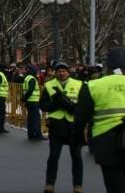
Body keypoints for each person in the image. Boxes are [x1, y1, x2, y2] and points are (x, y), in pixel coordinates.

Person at [74, 47, 125, 193]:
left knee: (114, 184)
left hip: (106, 140)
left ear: (107, 66)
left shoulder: (93, 85)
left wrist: (77, 139)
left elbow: (81, 116)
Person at [40, 61, 83, 193]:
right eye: (59, 71)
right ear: (55, 73)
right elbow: (43, 105)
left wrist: (71, 107)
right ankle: (50, 184)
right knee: (53, 156)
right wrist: (57, 104)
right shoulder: (49, 85)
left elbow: (83, 105)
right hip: (56, 125)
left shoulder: (79, 84)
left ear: (68, 72)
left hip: (73, 125)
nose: (61, 73)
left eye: (64, 71)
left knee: (76, 157)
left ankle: (78, 185)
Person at [22, 65, 45, 140]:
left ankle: (31, 134)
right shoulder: (32, 79)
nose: (37, 73)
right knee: (36, 119)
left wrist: (24, 99)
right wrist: (24, 99)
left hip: (29, 101)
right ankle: (38, 135)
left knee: (30, 118)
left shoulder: (27, 78)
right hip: (33, 101)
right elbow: (30, 90)